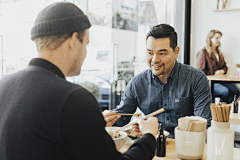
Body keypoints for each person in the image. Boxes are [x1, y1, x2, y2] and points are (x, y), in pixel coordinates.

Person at [0, 2, 159, 160]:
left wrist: (91, 128)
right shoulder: (73, 99)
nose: (85, 53)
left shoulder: (3, 87)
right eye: (86, 44)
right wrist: (150, 136)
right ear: (73, 40)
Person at [104, 24, 212, 138]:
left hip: (187, 145)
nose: (155, 60)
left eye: (162, 53)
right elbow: (122, 118)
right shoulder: (137, 83)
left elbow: (204, 124)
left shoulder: (196, 78)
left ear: (176, 52)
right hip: (151, 146)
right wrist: (108, 118)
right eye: (150, 53)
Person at [196, 30, 239, 103]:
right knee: (226, 91)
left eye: (219, 38)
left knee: (236, 92)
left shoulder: (219, 53)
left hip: (220, 81)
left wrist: (222, 71)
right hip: (209, 83)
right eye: (217, 38)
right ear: (210, 38)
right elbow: (199, 71)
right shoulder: (203, 52)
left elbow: (225, 67)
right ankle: (219, 110)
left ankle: (222, 108)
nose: (219, 40)